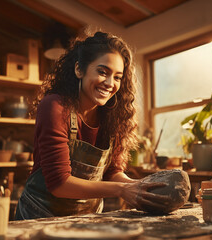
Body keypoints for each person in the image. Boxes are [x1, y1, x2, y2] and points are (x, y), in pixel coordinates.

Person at [15, 31, 170, 220]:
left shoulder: (115, 117)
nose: (109, 83)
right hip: (39, 217)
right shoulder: (55, 106)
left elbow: (112, 172)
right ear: (79, 69)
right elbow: (59, 183)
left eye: (118, 77)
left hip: (85, 220)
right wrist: (123, 189)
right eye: (102, 72)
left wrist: (138, 188)